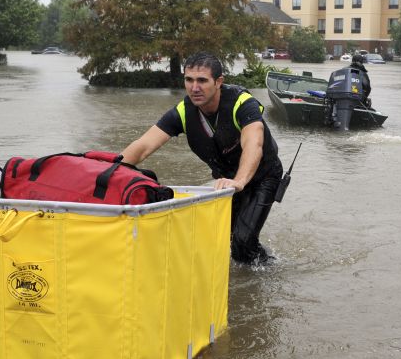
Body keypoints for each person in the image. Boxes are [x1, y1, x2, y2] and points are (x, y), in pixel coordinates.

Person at [121, 52, 283, 264]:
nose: (194, 88)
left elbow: (254, 143)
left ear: (218, 82)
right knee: (222, 238)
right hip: (228, 180)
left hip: (263, 176)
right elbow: (143, 147)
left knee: (242, 242)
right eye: (189, 80)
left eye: (202, 80)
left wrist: (240, 181)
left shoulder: (242, 103)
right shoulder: (183, 111)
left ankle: (270, 268)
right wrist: (108, 169)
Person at [325, 53, 372, 131]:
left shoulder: (344, 69)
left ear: (352, 60)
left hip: (338, 97)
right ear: (362, 62)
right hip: (355, 99)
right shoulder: (362, 73)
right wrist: (364, 99)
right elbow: (367, 87)